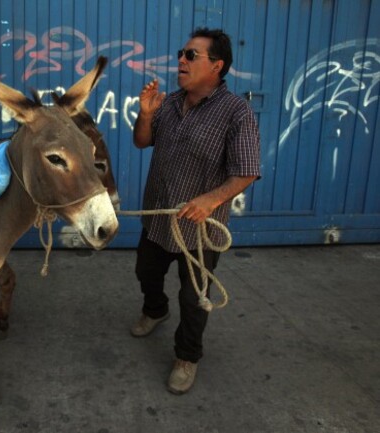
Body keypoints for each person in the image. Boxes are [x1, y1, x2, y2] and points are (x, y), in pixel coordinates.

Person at [131, 27, 261, 395]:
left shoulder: (237, 113)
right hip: (158, 218)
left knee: (193, 299)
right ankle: (155, 309)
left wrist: (210, 200)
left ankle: (187, 356)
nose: (181, 61)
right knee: (145, 272)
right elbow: (142, 142)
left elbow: (247, 170)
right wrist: (144, 115)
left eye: (191, 55)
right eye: (181, 54)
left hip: (199, 231)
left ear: (217, 66)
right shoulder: (170, 102)